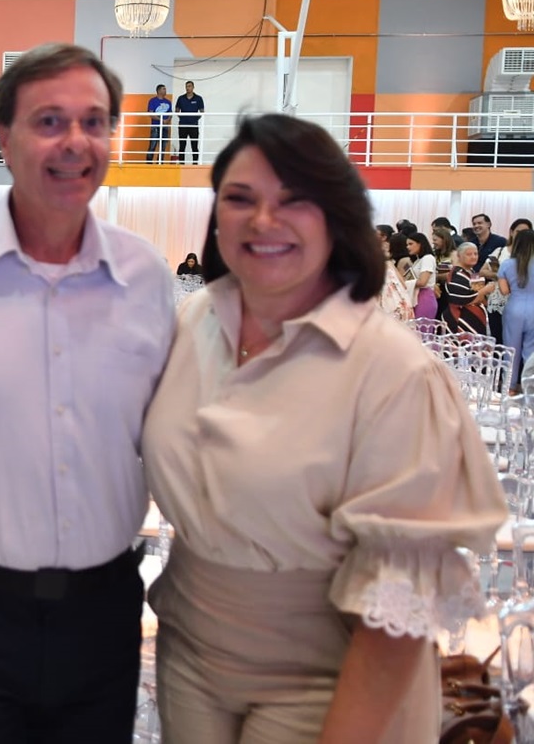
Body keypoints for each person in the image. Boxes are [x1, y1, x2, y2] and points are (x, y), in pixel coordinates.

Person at [140, 113, 506, 743]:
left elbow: (398, 601)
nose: (263, 221)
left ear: (337, 217)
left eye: (294, 200)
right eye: (240, 198)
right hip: (186, 655)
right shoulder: (197, 319)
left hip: (327, 673)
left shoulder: (392, 369)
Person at [0, 43, 175, 743]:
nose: (75, 141)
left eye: (94, 121)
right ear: (4, 137)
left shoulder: (146, 277)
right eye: (49, 120)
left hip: (103, 615)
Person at [500, 229, 534, 391]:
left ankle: (510, 388)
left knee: (510, 351)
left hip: (514, 308)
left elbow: (504, 291)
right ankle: (530, 389)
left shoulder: (507, 264)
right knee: (531, 352)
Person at [443, 241, 495, 335]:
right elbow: (465, 299)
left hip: (474, 317)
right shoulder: (457, 274)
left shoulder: (472, 271)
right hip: (460, 319)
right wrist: (485, 290)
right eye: (469, 254)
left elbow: (479, 294)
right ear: (459, 256)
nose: (473, 257)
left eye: (475, 254)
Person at [173, 81, 204, 164]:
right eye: (186, 86)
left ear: (193, 87)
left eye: (189, 86)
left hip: (193, 125)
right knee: (182, 146)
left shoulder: (198, 98)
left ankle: (195, 164)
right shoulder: (181, 98)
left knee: (194, 145)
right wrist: (183, 117)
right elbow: (177, 110)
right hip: (183, 125)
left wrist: (194, 118)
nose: (188, 88)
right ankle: (181, 163)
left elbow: (202, 111)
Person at [147, 83, 171, 164]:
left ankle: (160, 163)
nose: (165, 90)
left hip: (165, 127)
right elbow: (151, 114)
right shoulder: (152, 101)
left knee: (163, 147)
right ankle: (149, 164)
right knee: (152, 146)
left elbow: (171, 114)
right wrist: (161, 120)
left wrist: (167, 120)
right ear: (159, 90)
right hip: (155, 126)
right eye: (164, 89)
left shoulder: (168, 102)